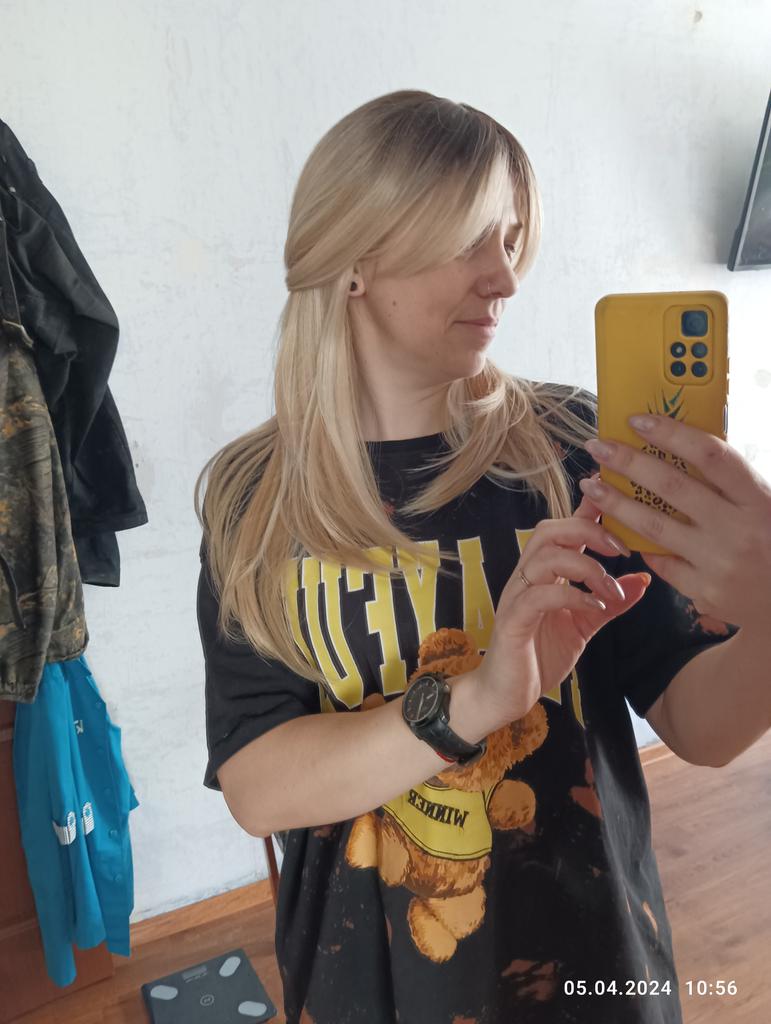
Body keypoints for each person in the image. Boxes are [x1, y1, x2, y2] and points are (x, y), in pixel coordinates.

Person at [194, 90, 738, 1024]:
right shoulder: (258, 496)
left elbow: (704, 729)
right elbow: (257, 786)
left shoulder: (573, 447)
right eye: (469, 240)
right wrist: (475, 703)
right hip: (371, 984)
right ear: (353, 257)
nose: (505, 278)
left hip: (595, 969)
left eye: (511, 239)